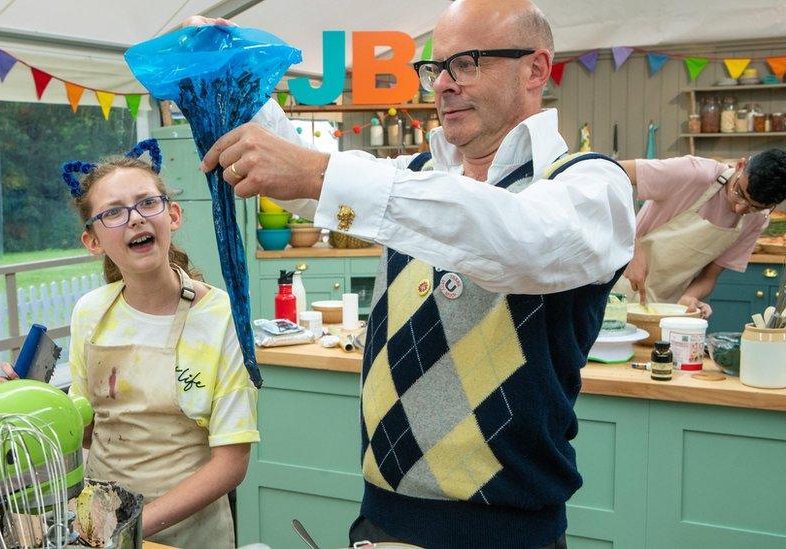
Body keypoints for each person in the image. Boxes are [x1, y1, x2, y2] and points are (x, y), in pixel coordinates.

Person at [192, 1, 635, 547]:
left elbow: (517, 239)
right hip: (381, 518)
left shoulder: (589, 184)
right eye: (435, 68)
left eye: (466, 63)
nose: (443, 85)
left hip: (506, 532)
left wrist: (319, 173)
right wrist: (236, 70)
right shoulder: (417, 175)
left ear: (536, 69)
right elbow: (309, 171)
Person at [0, 140, 258, 549]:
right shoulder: (91, 312)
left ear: (172, 215)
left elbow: (231, 462)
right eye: (114, 212)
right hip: (99, 521)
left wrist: (131, 527)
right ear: (94, 241)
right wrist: (36, 405)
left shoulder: (220, 315)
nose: (135, 219)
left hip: (189, 533)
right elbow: (91, 433)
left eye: (147, 203)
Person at [618, 149, 786, 317]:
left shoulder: (757, 220)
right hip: (613, 287)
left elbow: (708, 278)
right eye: (739, 193)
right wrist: (631, 243)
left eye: (755, 207)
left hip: (665, 309)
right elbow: (609, 171)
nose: (739, 208)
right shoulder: (695, 173)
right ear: (740, 166)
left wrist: (690, 298)